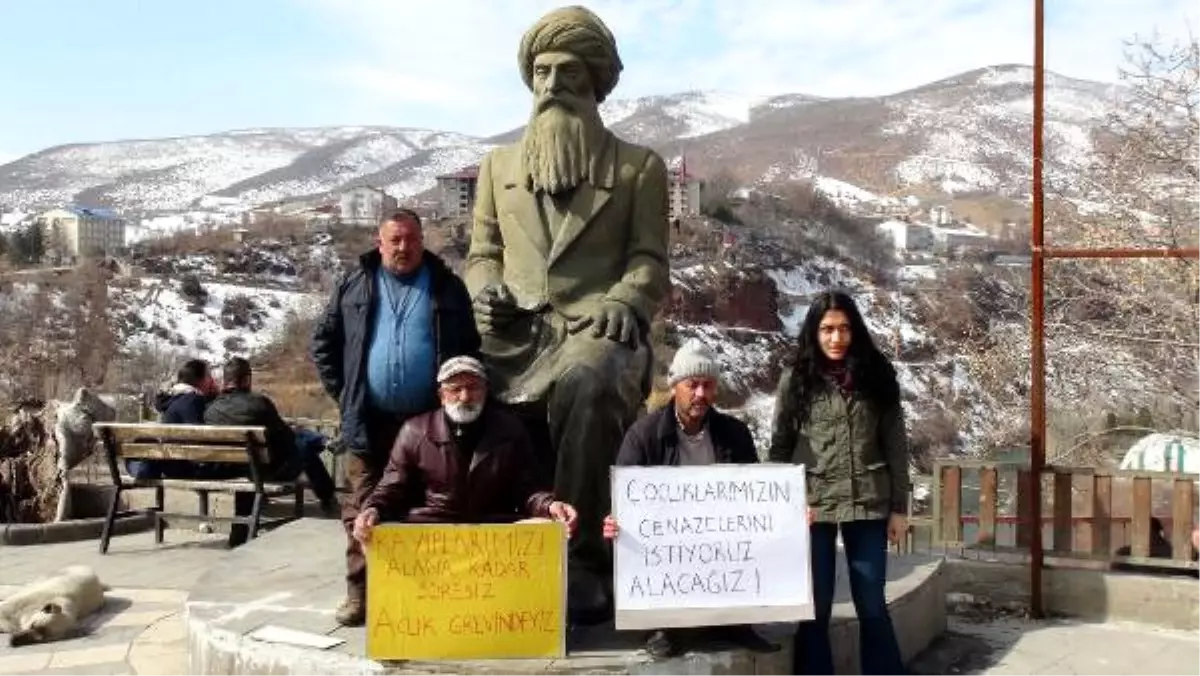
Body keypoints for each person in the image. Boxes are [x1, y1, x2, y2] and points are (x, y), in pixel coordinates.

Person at [466, 5, 670, 621]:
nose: (553, 86)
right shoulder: (497, 167)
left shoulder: (639, 168)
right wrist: (487, 288)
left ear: (595, 84)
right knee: (449, 372)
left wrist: (623, 299)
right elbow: (482, 253)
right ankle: (472, 536)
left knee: (587, 379)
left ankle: (580, 557)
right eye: (544, 73)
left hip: (596, 326)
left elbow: (650, 262)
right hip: (515, 330)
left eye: (570, 74)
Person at [310, 209, 480, 626]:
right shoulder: (355, 284)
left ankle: (424, 591)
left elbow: (470, 348)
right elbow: (323, 343)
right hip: (371, 420)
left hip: (428, 424)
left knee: (426, 505)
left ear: (422, 240)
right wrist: (347, 393)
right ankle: (361, 594)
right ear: (379, 241)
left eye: (411, 239)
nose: (404, 247)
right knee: (362, 506)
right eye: (395, 240)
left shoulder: (447, 287)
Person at [601, 340, 780, 659]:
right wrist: (615, 522)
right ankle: (660, 626)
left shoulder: (734, 434)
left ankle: (737, 623)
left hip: (719, 537)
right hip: (667, 545)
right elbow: (624, 501)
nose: (700, 394)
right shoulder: (643, 436)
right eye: (692, 385)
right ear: (675, 387)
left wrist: (787, 517)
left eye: (708, 385)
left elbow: (755, 500)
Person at [768, 291, 911, 676]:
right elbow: (780, 445)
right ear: (814, 332)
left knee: (871, 603)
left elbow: (895, 445)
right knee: (815, 606)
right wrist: (776, 509)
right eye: (828, 329)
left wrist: (899, 508)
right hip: (811, 505)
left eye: (845, 328)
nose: (836, 338)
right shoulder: (796, 378)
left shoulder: (877, 375)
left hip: (868, 500)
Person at [351, 356, 578, 544]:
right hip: (432, 532)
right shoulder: (414, 431)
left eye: (473, 387)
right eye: (455, 389)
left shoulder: (510, 430)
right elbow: (392, 487)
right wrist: (373, 509)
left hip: (493, 531)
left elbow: (529, 489)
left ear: (485, 391)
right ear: (442, 396)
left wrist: (549, 505)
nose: (465, 397)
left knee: (545, 529)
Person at [204, 357, 338, 546]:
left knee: (260, 459)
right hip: (267, 471)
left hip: (233, 470)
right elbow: (286, 439)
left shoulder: (211, 410)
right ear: (247, 380)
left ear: (226, 381)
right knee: (304, 447)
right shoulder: (259, 403)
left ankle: (239, 536)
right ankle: (327, 495)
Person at [126, 359, 218, 480]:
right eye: (208, 377)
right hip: (184, 467)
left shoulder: (173, 399)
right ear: (200, 380)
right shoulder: (193, 401)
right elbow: (200, 439)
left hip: (171, 462)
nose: (212, 381)